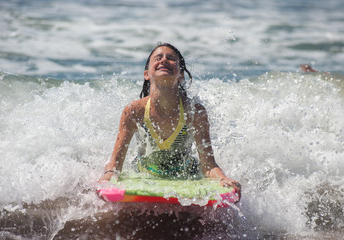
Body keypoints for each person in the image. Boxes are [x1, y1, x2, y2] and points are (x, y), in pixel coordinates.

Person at [99, 42, 241, 199]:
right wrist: (108, 176)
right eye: (158, 58)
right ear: (147, 74)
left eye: (171, 58)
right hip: (144, 175)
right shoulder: (134, 111)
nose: (164, 60)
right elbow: (115, 163)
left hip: (187, 176)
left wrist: (222, 178)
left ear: (180, 75)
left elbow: (208, 165)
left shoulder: (195, 113)